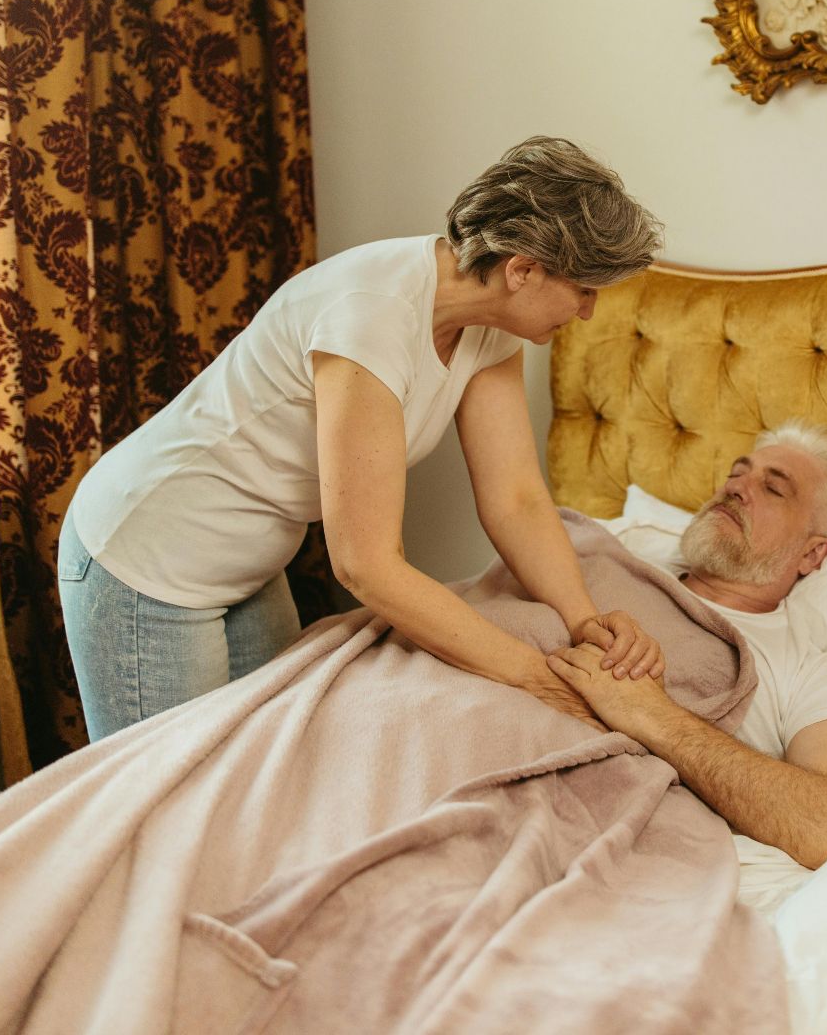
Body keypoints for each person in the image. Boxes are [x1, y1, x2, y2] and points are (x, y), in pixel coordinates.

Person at [59, 136, 665, 740]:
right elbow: (365, 564)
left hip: (250, 565)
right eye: (584, 289)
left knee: (262, 780)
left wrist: (584, 620)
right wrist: (537, 679)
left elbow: (516, 499)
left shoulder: (495, 326)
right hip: (146, 555)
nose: (587, 311)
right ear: (522, 270)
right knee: (167, 812)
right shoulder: (371, 314)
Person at [548, 422, 827, 870]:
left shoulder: (806, 670)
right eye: (737, 472)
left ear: (812, 555)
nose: (737, 487)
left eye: (774, 489)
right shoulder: (605, 555)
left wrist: (653, 716)